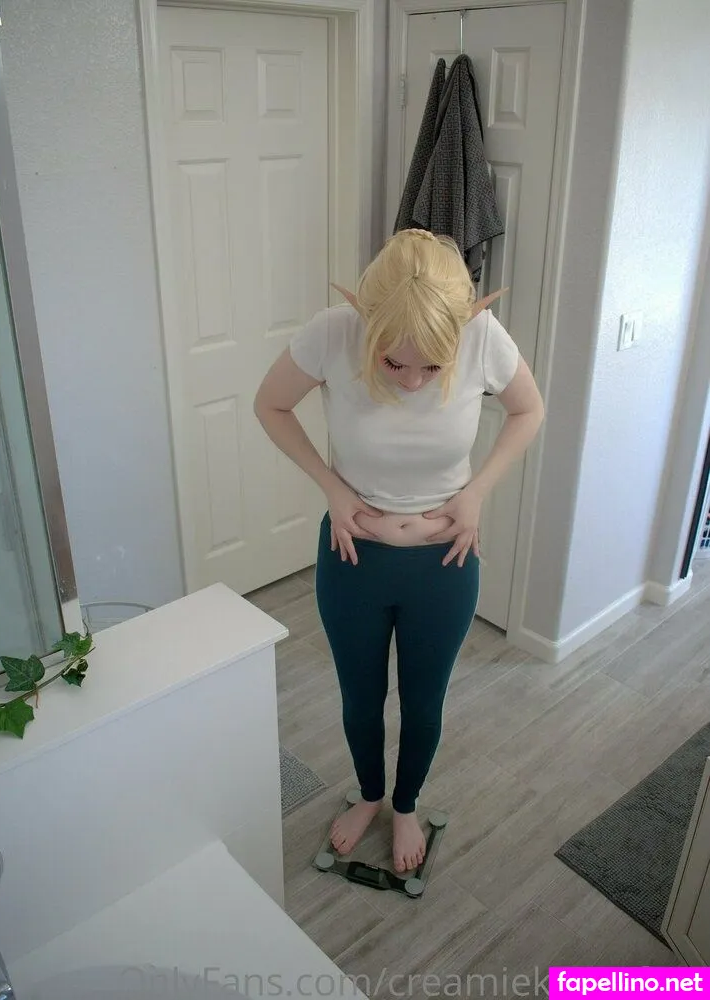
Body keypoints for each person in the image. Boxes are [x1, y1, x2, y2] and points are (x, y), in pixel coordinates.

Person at [254, 229, 544, 874]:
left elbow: (528, 411)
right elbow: (270, 404)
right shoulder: (333, 333)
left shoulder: (481, 336)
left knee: (423, 701)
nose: (413, 381)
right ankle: (368, 795)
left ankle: (405, 805)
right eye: (392, 364)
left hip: (444, 567)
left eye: (432, 368)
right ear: (367, 323)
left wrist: (476, 493)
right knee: (360, 698)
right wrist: (331, 487)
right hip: (354, 560)